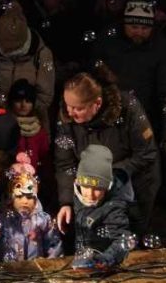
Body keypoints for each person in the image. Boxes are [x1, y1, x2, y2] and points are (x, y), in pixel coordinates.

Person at [54, 65, 160, 235]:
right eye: (68, 106)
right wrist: (66, 202)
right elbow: (65, 163)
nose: (70, 113)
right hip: (91, 192)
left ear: (97, 103)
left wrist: (108, 176)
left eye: (78, 108)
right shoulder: (66, 119)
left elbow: (146, 154)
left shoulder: (128, 110)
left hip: (134, 187)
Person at [92, 0, 166, 140]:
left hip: (149, 121)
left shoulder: (162, 47)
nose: (139, 32)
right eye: (133, 27)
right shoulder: (107, 42)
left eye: (145, 28)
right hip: (109, 119)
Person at [0, 2, 56, 119]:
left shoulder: (42, 54)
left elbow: (45, 96)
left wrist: (23, 112)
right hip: (0, 118)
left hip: (31, 123)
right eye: (2, 46)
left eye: (9, 48)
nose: (4, 51)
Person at [0, 153, 62, 263]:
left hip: (36, 272)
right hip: (8, 274)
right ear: (11, 197)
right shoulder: (1, 220)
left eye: (29, 196)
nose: (24, 201)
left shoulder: (44, 220)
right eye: (19, 196)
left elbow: (55, 246)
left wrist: (49, 265)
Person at [66, 145, 134, 270]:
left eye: (97, 188)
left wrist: (105, 259)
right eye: (85, 186)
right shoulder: (78, 194)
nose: (90, 194)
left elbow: (122, 239)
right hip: (83, 261)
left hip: (102, 265)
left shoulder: (114, 206)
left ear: (107, 187)